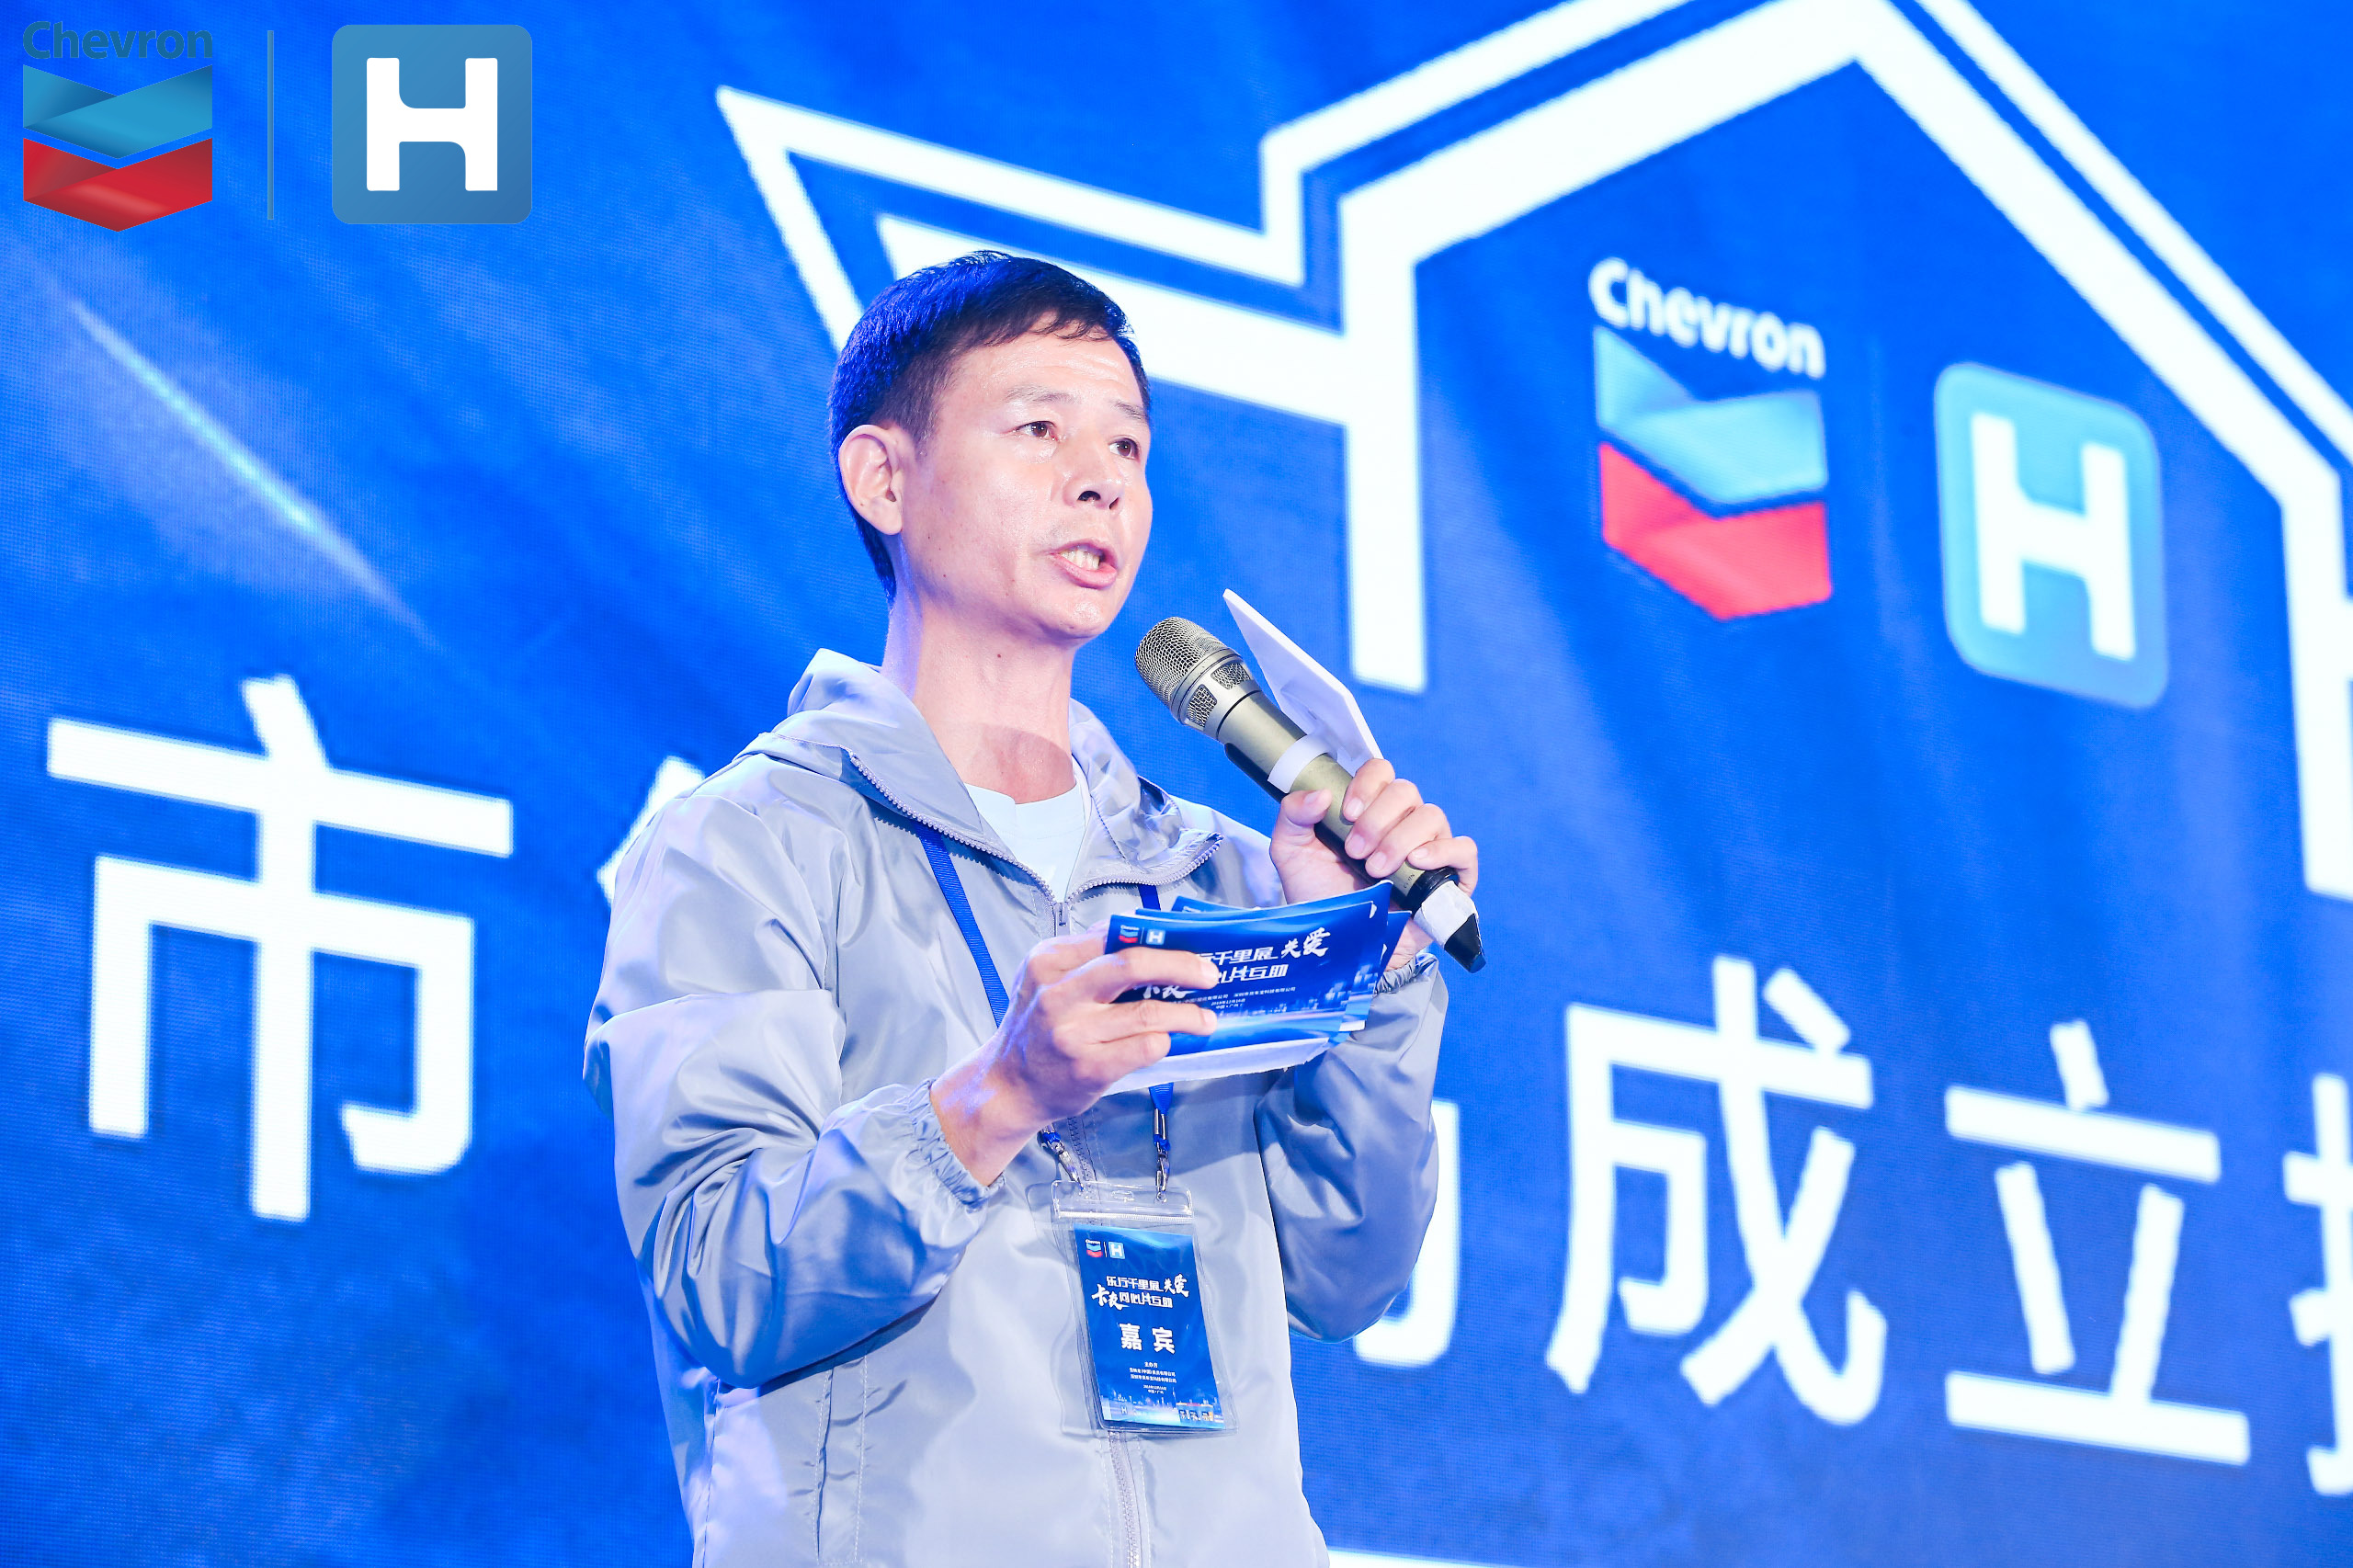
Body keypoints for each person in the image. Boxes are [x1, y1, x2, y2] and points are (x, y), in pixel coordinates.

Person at [585, 251, 1475, 1566]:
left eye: (1128, 445)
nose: (1102, 478)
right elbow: (720, 1270)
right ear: (884, 479)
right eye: (1040, 429)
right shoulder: (751, 842)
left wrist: (1367, 970)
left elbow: (1351, 1272)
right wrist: (994, 1100)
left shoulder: (1223, 874)